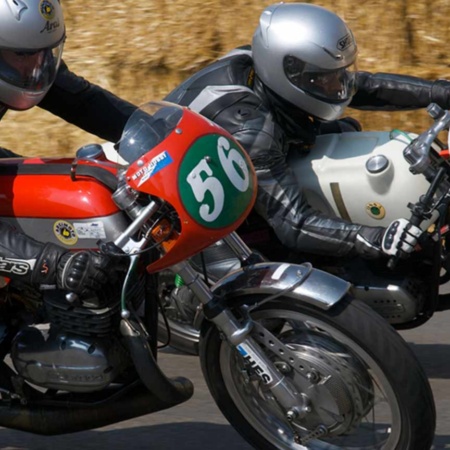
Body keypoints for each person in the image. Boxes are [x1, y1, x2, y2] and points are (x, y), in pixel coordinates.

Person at [165, 2, 449, 261]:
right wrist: (374, 237)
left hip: (250, 154)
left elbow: (360, 87)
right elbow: (294, 224)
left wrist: (437, 92)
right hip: (191, 221)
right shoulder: (253, 132)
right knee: (266, 272)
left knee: (344, 130)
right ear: (289, 73)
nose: (336, 85)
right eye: (322, 78)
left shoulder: (262, 63)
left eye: (339, 72)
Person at [0, 0, 137, 294]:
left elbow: (84, 102)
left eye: (45, 51)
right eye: (25, 54)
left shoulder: (27, 61)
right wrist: (54, 264)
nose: (38, 65)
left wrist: (160, 135)